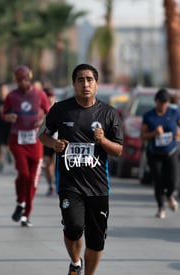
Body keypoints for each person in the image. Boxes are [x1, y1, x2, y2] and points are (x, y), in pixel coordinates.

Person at [39, 63, 123, 275]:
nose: (85, 84)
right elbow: (43, 135)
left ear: (96, 84)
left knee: (96, 241)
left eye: (89, 80)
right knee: (74, 227)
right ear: (74, 83)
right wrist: (53, 144)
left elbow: (119, 150)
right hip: (70, 184)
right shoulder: (60, 109)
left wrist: (103, 140)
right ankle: (75, 262)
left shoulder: (109, 113)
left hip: (98, 187)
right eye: (80, 80)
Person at [2, 65, 50, 227]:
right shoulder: (12, 96)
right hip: (18, 140)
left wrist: (42, 122)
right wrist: (8, 117)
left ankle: (26, 213)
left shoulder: (39, 94)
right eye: (19, 80)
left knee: (33, 180)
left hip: (35, 142)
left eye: (25, 79)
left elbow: (49, 113)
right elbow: (3, 114)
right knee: (23, 174)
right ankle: (20, 201)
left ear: (29, 78)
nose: (22, 83)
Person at [140, 88, 180, 219]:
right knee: (158, 181)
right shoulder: (149, 116)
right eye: (161, 102)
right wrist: (154, 134)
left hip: (171, 152)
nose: (163, 105)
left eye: (166, 102)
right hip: (154, 154)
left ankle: (169, 196)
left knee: (173, 180)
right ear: (156, 101)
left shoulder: (174, 113)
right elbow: (142, 135)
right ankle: (160, 207)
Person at [42, 87, 57, 196]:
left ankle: (57, 182)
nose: (50, 99)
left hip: (58, 140)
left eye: (51, 97)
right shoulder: (42, 110)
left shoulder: (59, 108)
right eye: (48, 97)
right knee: (47, 164)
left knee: (55, 163)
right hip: (47, 140)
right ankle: (50, 185)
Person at [0, 83, 12, 172]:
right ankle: (0, 163)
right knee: (0, 145)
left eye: (4, 89)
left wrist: (6, 114)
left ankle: (9, 154)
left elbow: (14, 113)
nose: (2, 91)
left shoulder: (10, 100)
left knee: (8, 144)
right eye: (1, 90)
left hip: (9, 125)